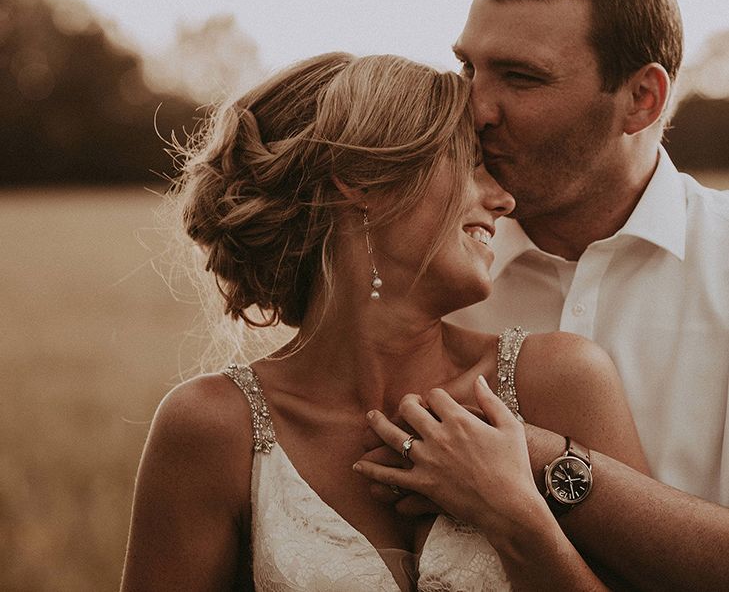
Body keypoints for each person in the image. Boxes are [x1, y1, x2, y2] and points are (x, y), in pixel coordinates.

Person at [121, 52, 648, 591]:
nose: (503, 199)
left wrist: (519, 521)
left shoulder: (559, 381)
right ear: (364, 180)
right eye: (471, 164)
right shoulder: (213, 429)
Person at [354, 0, 729, 590]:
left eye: (520, 78)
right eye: (468, 67)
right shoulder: (412, 270)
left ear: (641, 99)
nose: (474, 107)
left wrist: (540, 461)